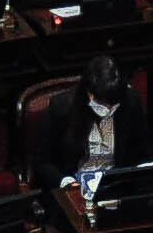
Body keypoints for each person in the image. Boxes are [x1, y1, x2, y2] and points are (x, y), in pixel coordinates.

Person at [30, 52, 133, 182]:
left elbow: (143, 152)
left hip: (116, 184)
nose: (107, 111)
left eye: (112, 106)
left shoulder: (130, 101)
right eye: (102, 104)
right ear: (89, 92)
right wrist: (63, 181)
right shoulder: (61, 107)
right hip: (75, 184)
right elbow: (41, 162)